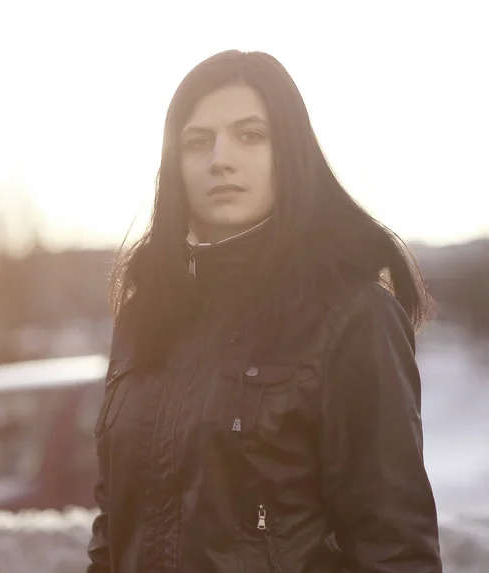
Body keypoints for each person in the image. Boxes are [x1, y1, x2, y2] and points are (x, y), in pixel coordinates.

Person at [87, 50, 443, 573]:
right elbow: (113, 534)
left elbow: (395, 549)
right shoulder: (146, 319)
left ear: (290, 153)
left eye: (250, 135)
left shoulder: (353, 316)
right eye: (197, 141)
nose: (219, 159)